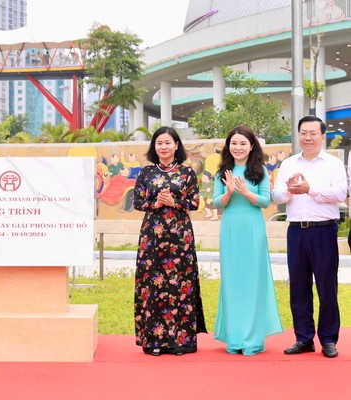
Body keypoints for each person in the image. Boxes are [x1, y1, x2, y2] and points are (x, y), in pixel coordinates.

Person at [271, 115, 347, 359]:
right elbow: (276, 195)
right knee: (299, 288)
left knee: (327, 287)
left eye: (313, 133)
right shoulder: (289, 164)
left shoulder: (332, 164)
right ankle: (303, 338)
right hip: (296, 231)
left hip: (324, 230)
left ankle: (328, 339)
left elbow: (340, 194)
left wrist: (310, 189)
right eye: (303, 133)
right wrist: (290, 190)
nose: (308, 137)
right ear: (299, 135)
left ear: (322, 136)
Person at [133, 126, 207, 356]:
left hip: (179, 236)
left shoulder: (187, 172)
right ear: (154, 147)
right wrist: (155, 204)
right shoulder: (146, 173)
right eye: (159, 143)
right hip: (152, 235)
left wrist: (174, 202)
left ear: (176, 145)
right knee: (153, 284)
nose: (163, 147)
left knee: (180, 284)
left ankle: (180, 341)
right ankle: (154, 340)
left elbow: (194, 202)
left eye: (168, 142)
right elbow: (137, 201)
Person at [213, 126, 283, 355]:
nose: (238, 147)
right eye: (234, 143)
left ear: (252, 146)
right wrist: (229, 191)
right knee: (233, 282)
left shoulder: (260, 170)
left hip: (253, 230)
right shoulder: (223, 171)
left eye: (243, 143)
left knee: (253, 282)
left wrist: (245, 192)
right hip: (231, 229)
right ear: (228, 146)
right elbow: (217, 203)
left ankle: (253, 339)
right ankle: (234, 338)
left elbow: (265, 202)